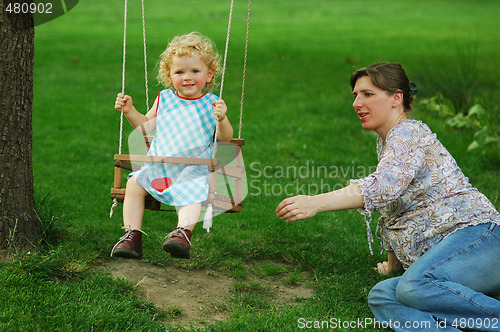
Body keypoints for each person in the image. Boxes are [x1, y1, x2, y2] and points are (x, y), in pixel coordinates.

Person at [276, 62, 500, 331]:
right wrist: (394, 264)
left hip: (480, 239)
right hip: (450, 258)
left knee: (413, 287)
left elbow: (384, 187)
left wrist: (315, 202)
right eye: (355, 95)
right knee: (383, 294)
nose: (357, 103)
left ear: (397, 98)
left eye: (368, 94)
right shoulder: (387, 141)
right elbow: (395, 207)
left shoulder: (409, 133)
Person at [111, 32, 233, 260]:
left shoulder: (212, 104)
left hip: (192, 170)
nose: (187, 77)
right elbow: (145, 127)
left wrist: (223, 119)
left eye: (195, 71)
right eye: (180, 72)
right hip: (160, 168)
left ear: (209, 75)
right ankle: (132, 236)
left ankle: (182, 233)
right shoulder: (164, 99)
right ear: (169, 76)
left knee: (194, 191)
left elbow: (225, 139)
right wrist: (130, 112)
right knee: (135, 184)